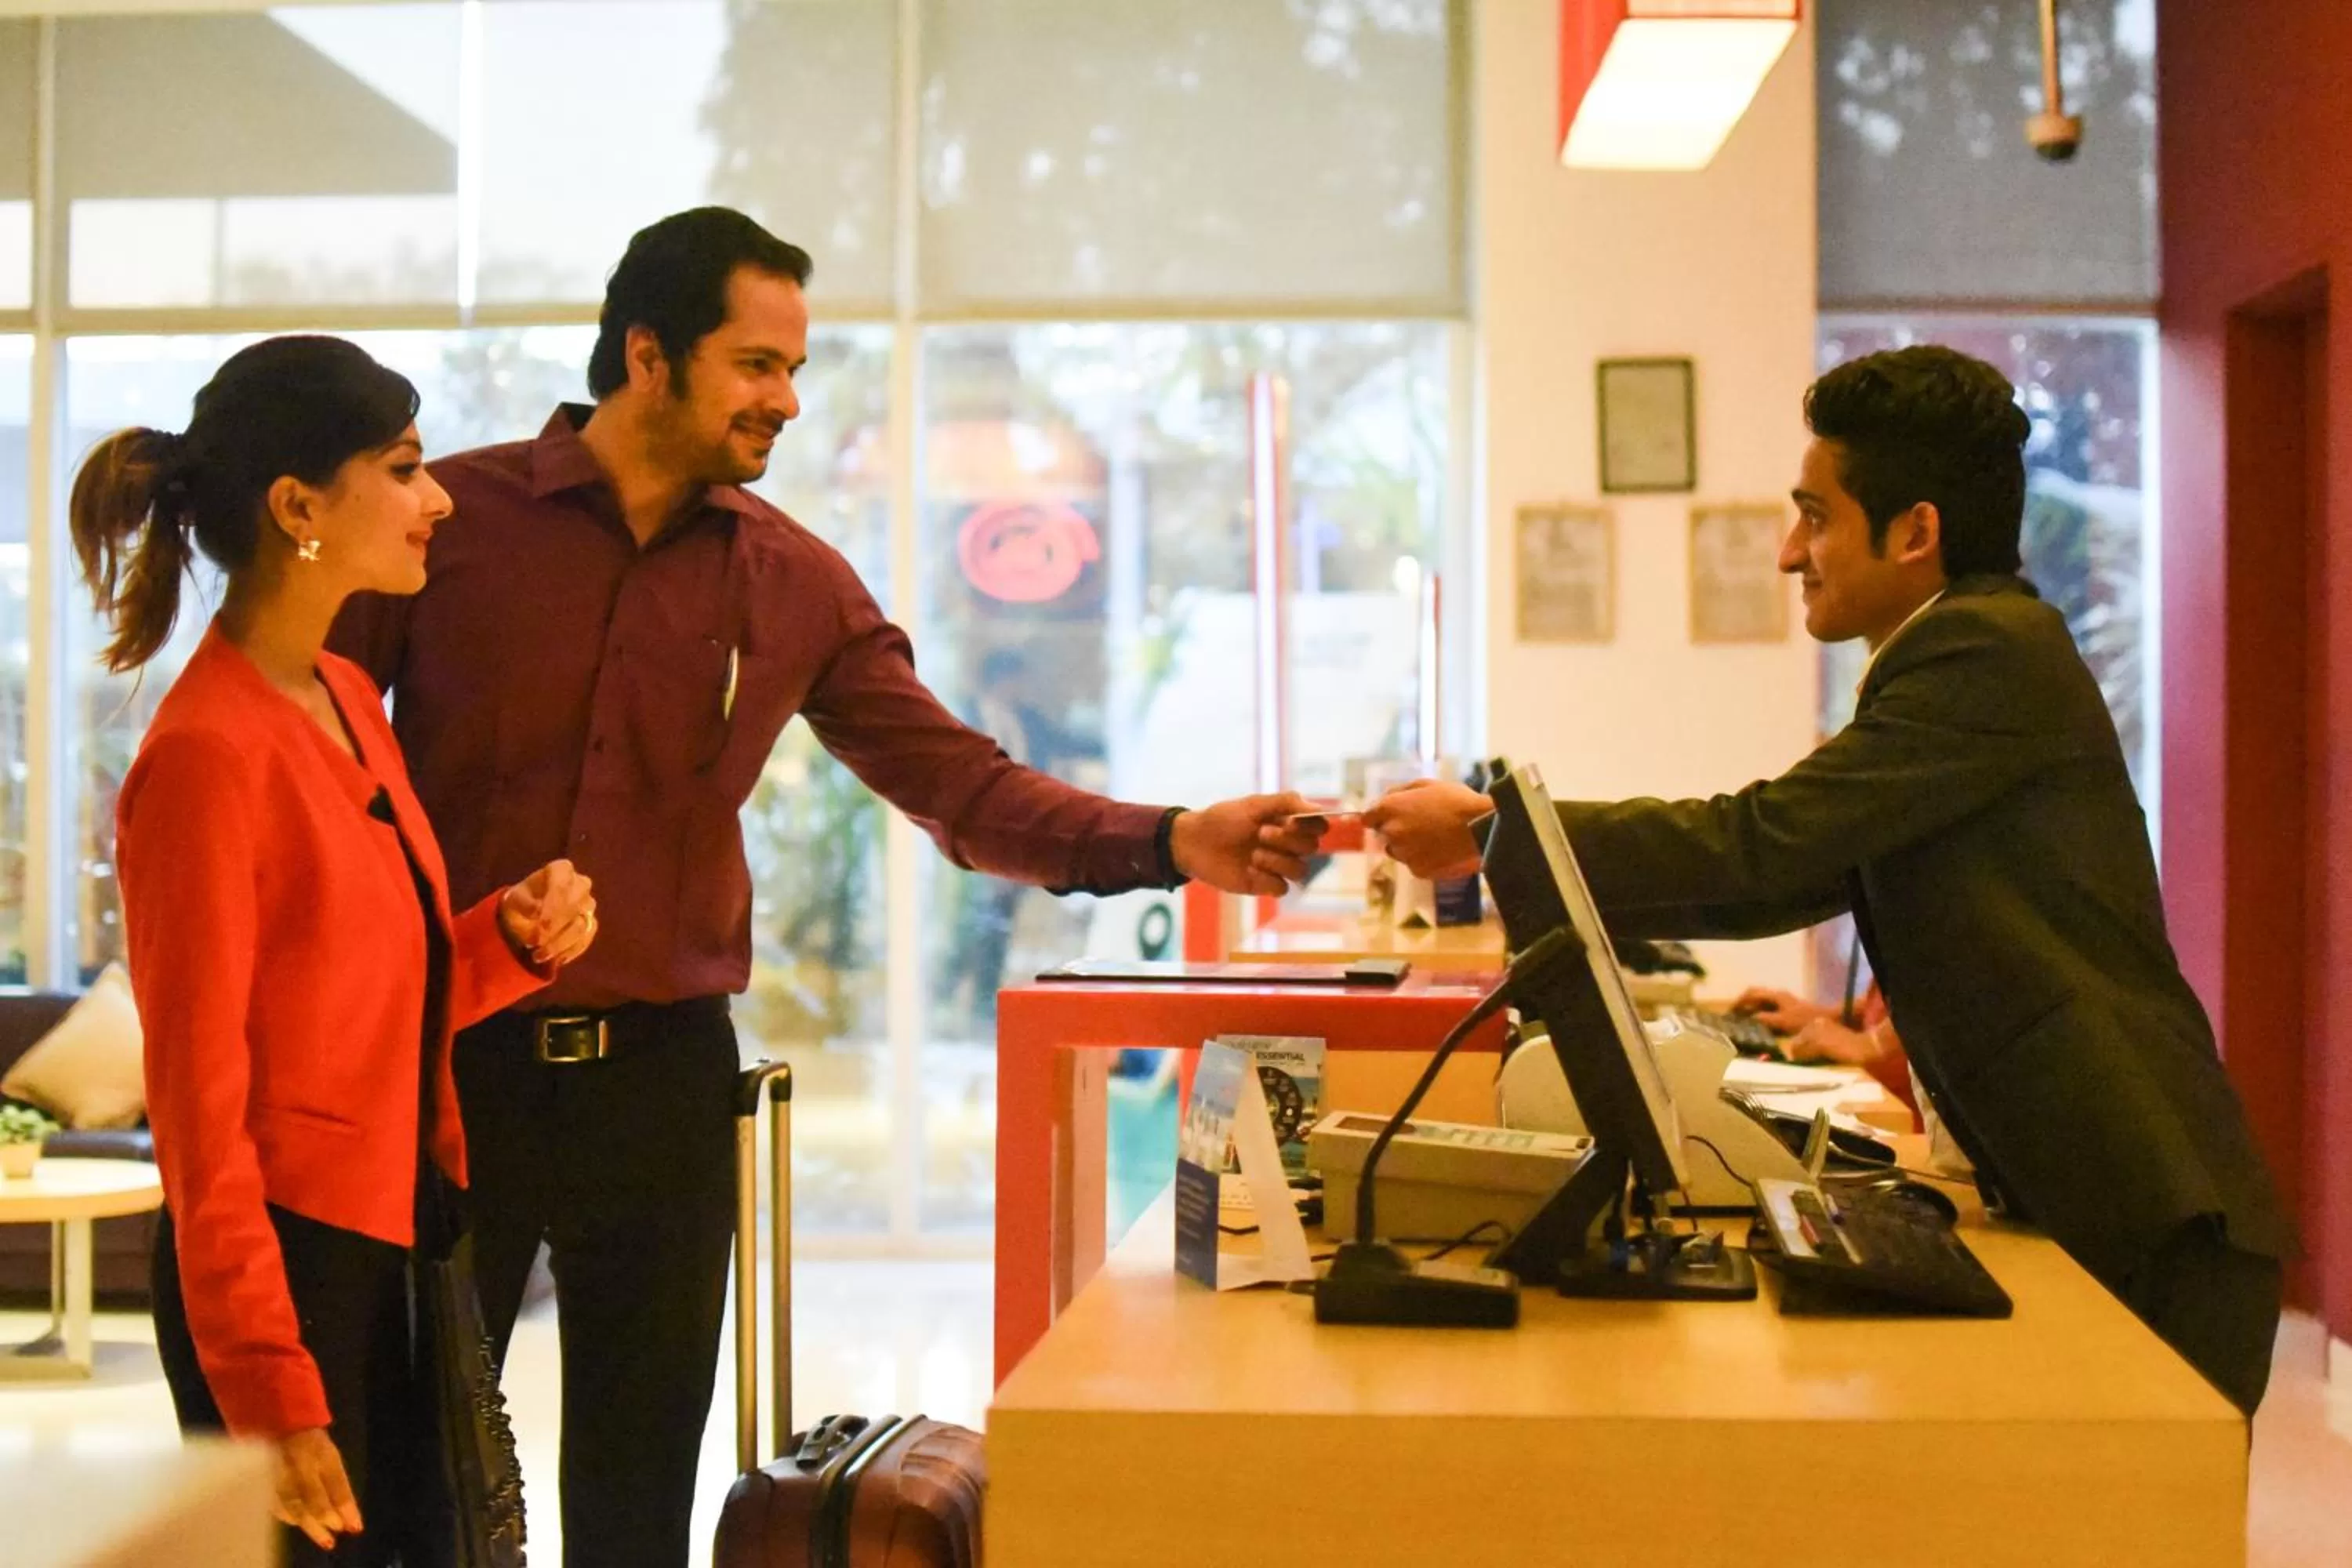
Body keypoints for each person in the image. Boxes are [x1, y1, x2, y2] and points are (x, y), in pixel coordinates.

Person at [328, 206, 1322, 1566]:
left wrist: (1172, 840)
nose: (787, 402)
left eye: (797, 368)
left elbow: (963, 791)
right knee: (422, 1493)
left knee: (635, 1501)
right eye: (755, 365)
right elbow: (315, 748)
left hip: (661, 1093)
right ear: (648, 355)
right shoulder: (449, 528)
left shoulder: (790, 581)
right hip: (449, 1069)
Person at [1367, 344, 2294, 1417]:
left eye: (1814, 515)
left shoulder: (1988, 653)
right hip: (2113, 1207)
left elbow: (1764, 844)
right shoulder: (1964, 651)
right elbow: (1781, 880)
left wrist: (1495, 833)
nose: (1786, 553)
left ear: (1916, 532)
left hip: (2152, 1221)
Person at [77, 336, 598, 1563]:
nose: (439, 499)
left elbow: (362, 1007)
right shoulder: (206, 755)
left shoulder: (349, 701)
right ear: (300, 507)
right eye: (405, 468)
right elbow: (202, 1115)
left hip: (392, 1250)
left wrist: (506, 941)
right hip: (287, 1282)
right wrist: (269, 1381)